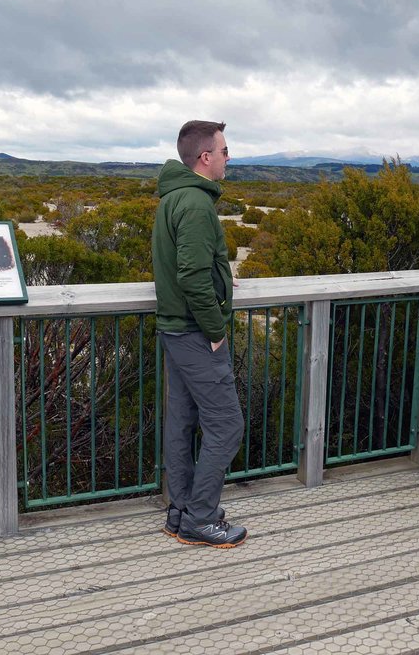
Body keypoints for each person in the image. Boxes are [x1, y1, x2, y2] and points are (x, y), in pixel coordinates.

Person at [151, 119, 247, 548]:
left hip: (176, 330)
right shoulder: (196, 205)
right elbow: (191, 275)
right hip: (195, 331)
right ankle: (201, 518)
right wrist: (215, 328)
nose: (229, 158)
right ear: (205, 157)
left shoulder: (175, 199)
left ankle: (180, 511)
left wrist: (223, 279)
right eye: (225, 151)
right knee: (227, 425)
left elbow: (193, 266)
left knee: (182, 420)